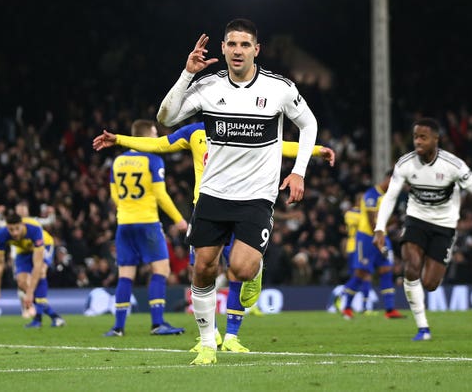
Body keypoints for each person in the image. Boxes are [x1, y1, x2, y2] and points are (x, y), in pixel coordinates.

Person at [156, 18, 318, 364]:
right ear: (223, 49)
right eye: (231, 44)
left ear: (256, 50)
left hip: (256, 195)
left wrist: (299, 171)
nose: (238, 50)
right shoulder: (207, 86)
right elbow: (166, 118)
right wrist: (186, 74)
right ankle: (207, 344)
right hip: (214, 193)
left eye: (245, 45)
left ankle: (254, 270)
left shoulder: (279, 89)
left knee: (241, 270)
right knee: (202, 267)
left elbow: (309, 124)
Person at [93, 121, 335, 352]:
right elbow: (160, 144)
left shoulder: (243, 128)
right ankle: (209, 335)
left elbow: (279, 145)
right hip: (205, 211)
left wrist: (314, 151)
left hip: (239, 207)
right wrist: (119, 139)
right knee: (198, 272)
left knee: (237, 271)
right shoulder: (194, 132)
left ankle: (232, 336)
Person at [373, 117, 472, 341]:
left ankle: (424, 315)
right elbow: (390, 197)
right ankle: (423, 328)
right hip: (416, 220)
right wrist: (380, 228)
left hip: (444, 226)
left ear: (436, 139)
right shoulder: (405, 164)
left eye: (423, 137)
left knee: (430, 284)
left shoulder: (453, 165)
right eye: (416, 137)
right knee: (411, 268)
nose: (418, 141)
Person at [103, 119, 188, 337]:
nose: (156, 135)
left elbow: (114, 195)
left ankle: (118, 327)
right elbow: (160, 194)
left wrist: (126, 210)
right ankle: (157, 323)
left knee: (125, 275)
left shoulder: (118, 161)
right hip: (148, 222)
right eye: (154, 132)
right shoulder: (153, 159)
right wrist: (179, 219)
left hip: (125, 223)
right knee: (161, 271)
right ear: (147, 134)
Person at [341, 171, 405, 319]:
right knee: (361, 274)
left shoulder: (389, 197)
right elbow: (371, 221)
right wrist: (380, 239)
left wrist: (393, 222)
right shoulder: (371, 194)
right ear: (388, 179)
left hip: (383, 236)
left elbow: (385, 220)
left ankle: (390, 310)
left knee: (387, 270)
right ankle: (347, 307)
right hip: (367, 238)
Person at [0, 210, 65, 328]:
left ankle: (38, 319)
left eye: (17, 228)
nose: (14, 233)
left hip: (44, 245)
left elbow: (37, 264)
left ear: (22, 225)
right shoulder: (1, 234)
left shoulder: (34, 229)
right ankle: (54, 316)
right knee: (21, 283)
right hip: (23, 252)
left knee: (41, 272)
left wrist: (29, 293)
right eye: (11, 229)